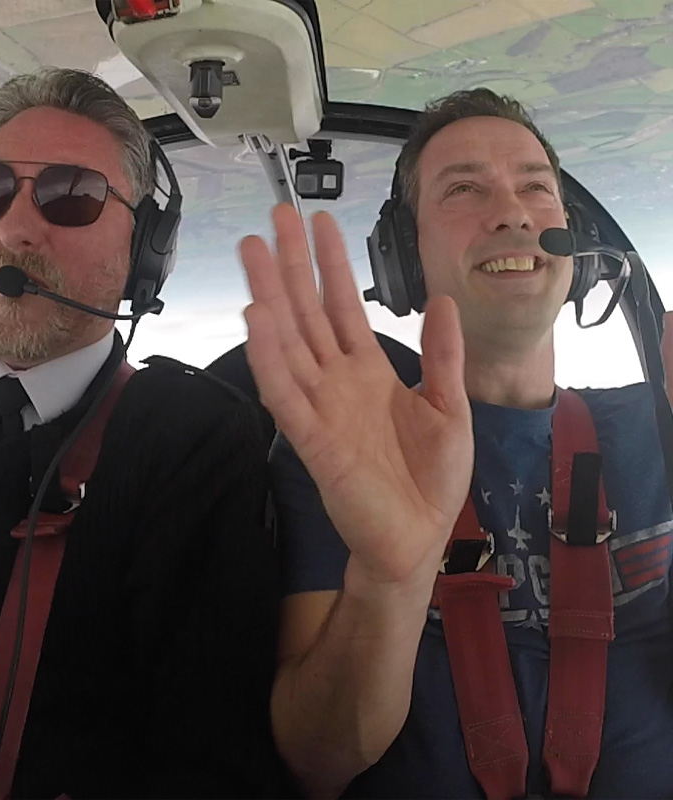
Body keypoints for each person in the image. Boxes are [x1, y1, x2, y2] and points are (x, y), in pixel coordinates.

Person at [238, 88, 673, 798]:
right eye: (464, 189)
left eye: (536, 186)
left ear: (580, 247)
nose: (513, 212)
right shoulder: (348, 457)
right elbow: (319, 764)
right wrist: (389, 580)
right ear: (404, 257)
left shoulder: (659, 429)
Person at [0, 67, 284, 799]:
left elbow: (209, 760)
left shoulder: (196, 444)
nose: (15, 227)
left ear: (146, 249)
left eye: (71, 195)